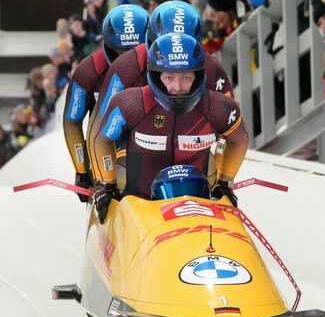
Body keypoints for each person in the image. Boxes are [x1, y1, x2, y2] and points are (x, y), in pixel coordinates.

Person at [89, 33, 249, 221]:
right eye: (169, 78)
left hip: (199, 202)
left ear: (198, 76)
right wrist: (106, 184)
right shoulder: (128, 104)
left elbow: (238, 141)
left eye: (186, 77)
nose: (177, 87)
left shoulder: (220, 108)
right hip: (139, 202)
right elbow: (102, 140)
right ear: (156, 76)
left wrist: (225, 183)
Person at [85, 1, 233, 188]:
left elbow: (229, 128)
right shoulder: (126, 66)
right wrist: (103, 180)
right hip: (137, 147)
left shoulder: (213, 70)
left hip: (190, 149)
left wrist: (223, 180)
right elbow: (101, 125)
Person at [63, 4, 150, 202]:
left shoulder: (163, 65)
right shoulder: (89, 71)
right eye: (122, 52)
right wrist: (82, 171)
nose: (130, 59)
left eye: (137, 50)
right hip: (107, 140)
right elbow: (72, 121)